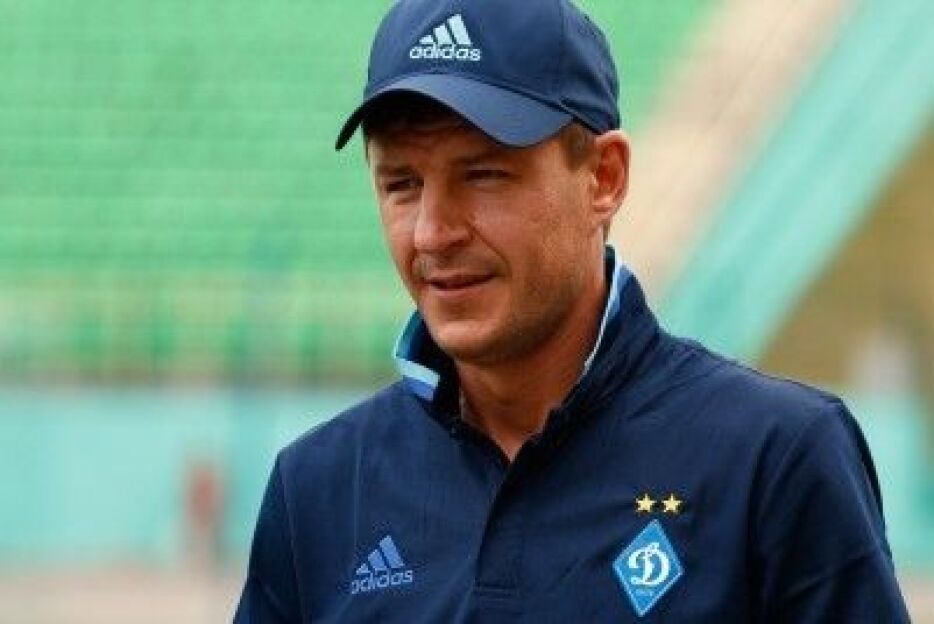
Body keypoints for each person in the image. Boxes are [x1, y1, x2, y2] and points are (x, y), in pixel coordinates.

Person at [234, 0, 910, 621]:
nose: (433, 232)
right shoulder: (318, 488)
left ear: (604, 178)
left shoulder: (776, 458)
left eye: (483, 174)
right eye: (401, 184)